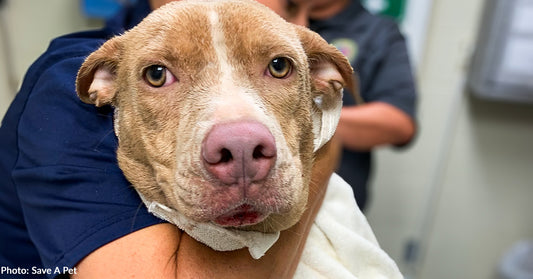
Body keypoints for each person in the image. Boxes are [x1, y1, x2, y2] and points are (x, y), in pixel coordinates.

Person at [0, 1, 339, 278]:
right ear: (102, 86)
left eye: (279, 66)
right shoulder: (67, 82)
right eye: (157, 74)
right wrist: (325, 147)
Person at [281, 0, 417, 211]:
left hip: (331, 204)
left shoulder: (379, 33)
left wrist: (303, 114)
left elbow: (399, 123)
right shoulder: (269, 13)